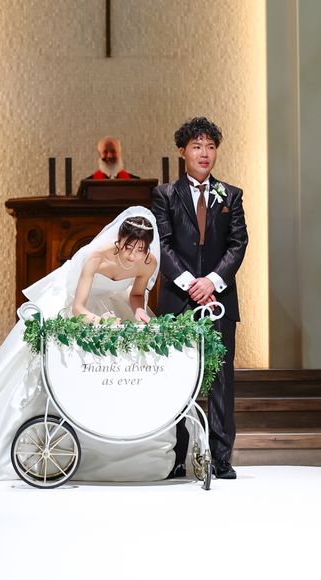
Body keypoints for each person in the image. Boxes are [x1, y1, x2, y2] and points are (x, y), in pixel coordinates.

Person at [0, 206, 179, 482]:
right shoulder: (95, 257)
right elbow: (78, 308)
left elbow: (136, 295)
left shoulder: (148, 263)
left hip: (111, 306)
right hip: (74, 304)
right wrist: (100, 321)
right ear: (119, 240)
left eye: (140, 250)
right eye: (128, 247)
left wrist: (139, 312)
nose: (132, 256)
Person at [151, 117, 248, 480]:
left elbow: (238, 244)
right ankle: (177, 456)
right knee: (177, 378)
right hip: (178, 299)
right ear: (183, 151)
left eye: (210, 146)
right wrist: (193, 284)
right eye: (196, 146)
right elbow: (162, 244)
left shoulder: (231, 195)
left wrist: (212, 282)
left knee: (221, 378)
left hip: (219, 299)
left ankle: (221, 458)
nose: (204, 153)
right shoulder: (165, 195)